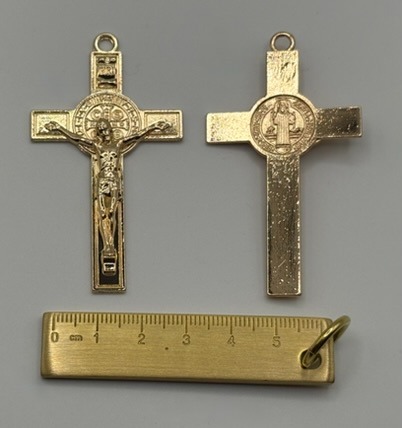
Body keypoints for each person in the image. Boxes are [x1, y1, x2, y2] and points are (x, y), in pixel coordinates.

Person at [45, 118, 171, 275]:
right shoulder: (97, 146)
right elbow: (77, 139)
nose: (103, 132)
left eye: (105, 128)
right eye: (100, 130)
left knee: (112, 213)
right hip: (103, 181)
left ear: (111, 129)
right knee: (103, 214)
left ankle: (111, 244)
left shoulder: (118, 144)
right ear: (98, 133)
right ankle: (107, 245)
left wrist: (154, 126)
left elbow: (137, 136)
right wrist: (59, 128)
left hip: (114, 182)